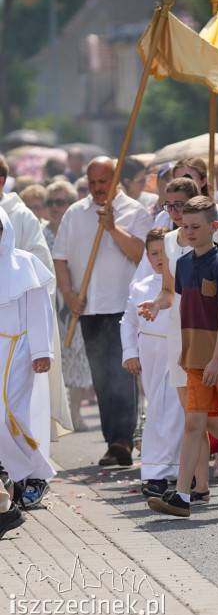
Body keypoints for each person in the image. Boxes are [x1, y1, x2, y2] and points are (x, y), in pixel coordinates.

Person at [146, 196, 218, 517]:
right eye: (185, 226)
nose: (189, 232)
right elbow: (187, 309)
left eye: (196, 227)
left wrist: (216, 359)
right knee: (194, 423)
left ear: (213, 227)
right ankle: (182, 496)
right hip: (194, 358)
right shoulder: (181, 265)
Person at [53, 156, 153, 466]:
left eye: (103, 182)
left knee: (122, 372)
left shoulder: (134, 211)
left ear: (115, 180)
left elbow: (143, 255)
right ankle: (115, 440)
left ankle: (122, 439)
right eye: (92, 183)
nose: (97, 188)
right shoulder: (75, 213)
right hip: (89, 308)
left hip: (122, 306)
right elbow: (60, 257)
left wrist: (112, 228)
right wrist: (68, 294)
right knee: (101, 377)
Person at [121, 227, 183, 498]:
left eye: (165, 253)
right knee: (157, 408)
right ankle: (159, 470)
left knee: (175, 408)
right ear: (146, 256)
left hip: (178, 350)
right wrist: (129, 352)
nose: (160, 259)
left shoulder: (182, 282)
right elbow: (129, 322)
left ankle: (173, 469)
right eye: (154, 254)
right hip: (151, 353)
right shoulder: (140, 286)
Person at [0, 208, 56, 507]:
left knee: (8, 413)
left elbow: (39, 310)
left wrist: (41, 350)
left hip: (19, 349)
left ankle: (34, 474)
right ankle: (20, 475)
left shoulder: (24, 263)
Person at [42, 180, 92, 432]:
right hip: (49, 304)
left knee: (78, 357)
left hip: (74, 299)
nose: (55, 207)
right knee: (53, 358)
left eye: (60, 202)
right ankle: (54, 416)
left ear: (70, 204)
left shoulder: (77, 231)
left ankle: (75, 412)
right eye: (50, 202)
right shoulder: (40, 233)